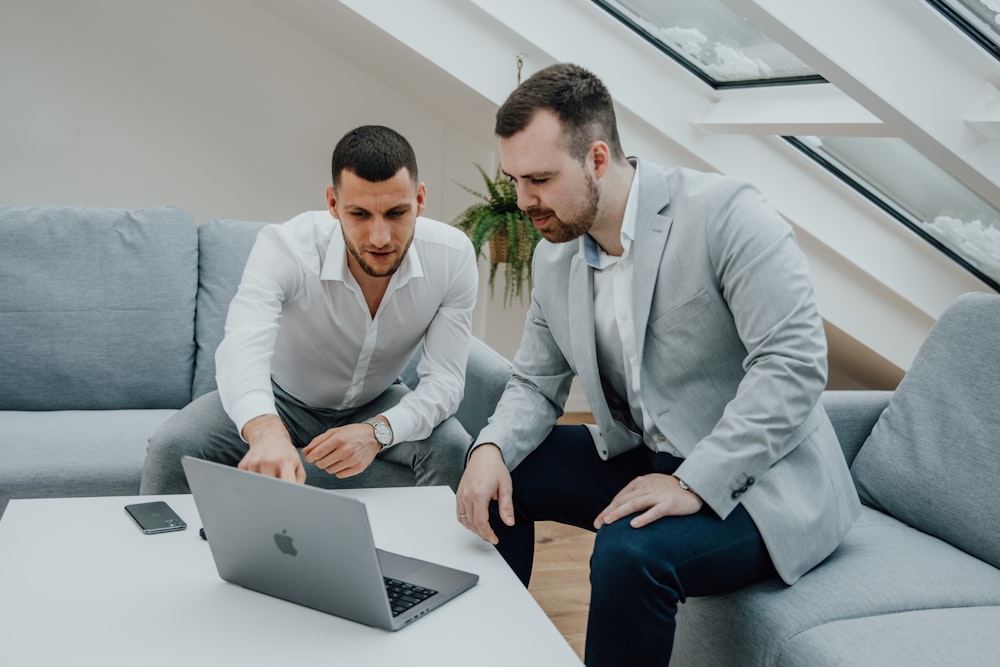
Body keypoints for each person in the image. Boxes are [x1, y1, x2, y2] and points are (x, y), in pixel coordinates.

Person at [455, 64, 861, 666]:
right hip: (647, 457)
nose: (523, 202)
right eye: (515, 180)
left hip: (763, 484)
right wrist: (488, 449)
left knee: (628, 553)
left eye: (539, 179)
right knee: (496, 480)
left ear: (597, 158)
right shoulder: (555, 259)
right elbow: (536, 385)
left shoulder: (727, 214)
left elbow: (793, 364)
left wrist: (692, 481)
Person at [141, 125, 478, 495]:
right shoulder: (286, 247)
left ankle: (431, 552)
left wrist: (377, 431)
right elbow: (242, 348)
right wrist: (265, 429)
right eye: (360, 214)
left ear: (421, 199)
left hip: (377, 400)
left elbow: (445, 382)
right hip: (282, 397)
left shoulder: (453, 256)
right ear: (333, 204)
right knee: (171, 446)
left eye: (397, 213)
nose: (380, 237)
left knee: (452, 445)